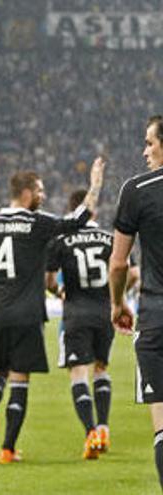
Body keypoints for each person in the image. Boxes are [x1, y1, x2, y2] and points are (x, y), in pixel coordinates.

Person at [0, 161, 105, 464]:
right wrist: (96, 183)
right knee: (20, 380)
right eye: (40, 191)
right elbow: (79, 219)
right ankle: (7, 449)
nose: (43, 196)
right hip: (28, 314)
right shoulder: (38, 223)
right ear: (26, 193)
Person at [46, 189, 138, 459]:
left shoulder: (61, 240)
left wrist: (61, 293)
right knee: (101, 368)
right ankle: (104, 428)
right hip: (104, 313)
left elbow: (50, 282)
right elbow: (132, 273)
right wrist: (116, 298)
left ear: (72, 210)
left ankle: (90, 433)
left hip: (75, 313)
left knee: (78, 374)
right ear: (92, 212)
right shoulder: (110, 239)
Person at [110, 114, 163, 488]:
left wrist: (117, 304)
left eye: (149, 142)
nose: (145, 151)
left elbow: (118, 263)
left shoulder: (137, 189)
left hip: (156, 315)